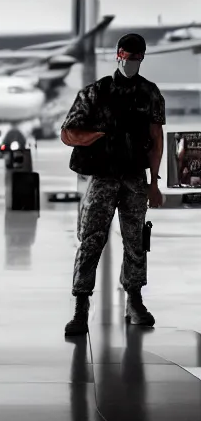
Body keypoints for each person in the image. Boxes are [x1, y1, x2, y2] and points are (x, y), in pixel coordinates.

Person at [61, 33, 165, 336]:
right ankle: (81, 307)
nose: (130, 62)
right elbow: (68, 132)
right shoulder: (96, 93)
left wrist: (154, 184)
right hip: (103, 177)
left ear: (141, 58)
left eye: (135, 57)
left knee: (136, 242)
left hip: (134, 178)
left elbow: (156, 140)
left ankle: (135, 301)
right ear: (117, 55)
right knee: (91, 240)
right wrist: (98, 135)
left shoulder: (149, 93)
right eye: (126, 55)